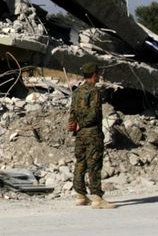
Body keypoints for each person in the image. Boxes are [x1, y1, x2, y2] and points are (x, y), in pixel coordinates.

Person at [68, 62, 114, 209]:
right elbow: (94, 113)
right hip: (92, 132)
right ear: (95, 75)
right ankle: (97, 198)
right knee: (94, 164)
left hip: (80, 134)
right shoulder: (94, 91)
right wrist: (82, 124)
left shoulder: (77, 91)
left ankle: (80, 195)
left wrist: (73, 125)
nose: (99, 76)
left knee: (80, 162)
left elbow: (72, 112)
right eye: (98, 74)